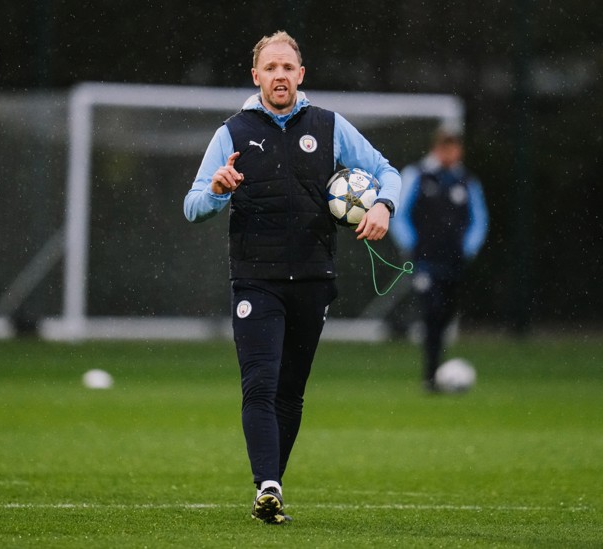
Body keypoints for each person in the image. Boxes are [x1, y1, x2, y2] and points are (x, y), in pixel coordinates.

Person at [183, 30, 401, 524]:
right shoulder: (232, 133)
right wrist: (217, 189)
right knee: (259, 384)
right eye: (271, 68)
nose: (279, 76)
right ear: (255, 75)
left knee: (290, 391)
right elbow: (192, 205)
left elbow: (387, 172)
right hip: (255, 278)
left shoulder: (328, 127)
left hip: (313, 277)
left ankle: (268, 491)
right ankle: (269, 483)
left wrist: (384, 206)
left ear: (301, 76)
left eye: (288, 68)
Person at [390, 128, 488, 392]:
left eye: (454, 148)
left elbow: (479, 220)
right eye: (446, 147)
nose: (450, 153)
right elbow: (398, 214)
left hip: (454, 262)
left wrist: (467, 249)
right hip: (425, 261)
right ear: (436, 148)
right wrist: (413, 246)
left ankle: (437, 371)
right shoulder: (418, 175)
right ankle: (430, 375)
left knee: (445, 315)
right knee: (432, 312)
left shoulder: (467, 181)